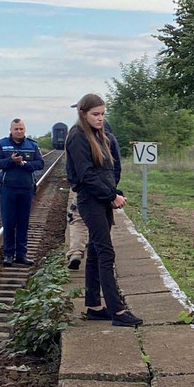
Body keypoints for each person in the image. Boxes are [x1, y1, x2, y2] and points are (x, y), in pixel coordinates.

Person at [65, 94, 141, 327]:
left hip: (101, 199)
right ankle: (117, 310)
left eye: (102, 114)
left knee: (97, 252)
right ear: (83, 113)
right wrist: (110, 195)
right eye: (95, 114)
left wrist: (112, 192)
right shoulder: (77, 136)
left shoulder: (100, 134)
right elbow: (86, 175)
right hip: (90, 200)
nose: (100, 118)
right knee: (106, 252)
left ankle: (94, 306)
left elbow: (110, 168)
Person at [66, 116, 120, 271]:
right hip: (104, 189)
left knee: (77, 218)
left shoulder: (77, 135)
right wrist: (111, 190)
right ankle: (87, 250)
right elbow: (116, 167)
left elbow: (79, 171)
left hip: (87, 190)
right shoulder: (108, 137)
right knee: (101, 239)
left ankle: (76, 251)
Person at [0, 118, 44, 267]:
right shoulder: (2, 144)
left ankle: (21, 255)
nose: (19, 131)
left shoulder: (32, 145)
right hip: (8, 189)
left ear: (25, 129)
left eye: (21, 129)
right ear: (11, 130)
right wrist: (11, 161)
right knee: (9, 222)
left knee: (23, 222)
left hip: (26, 188)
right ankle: (8, 254)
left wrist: (24, 163)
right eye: (16, 129)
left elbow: (40, 164)